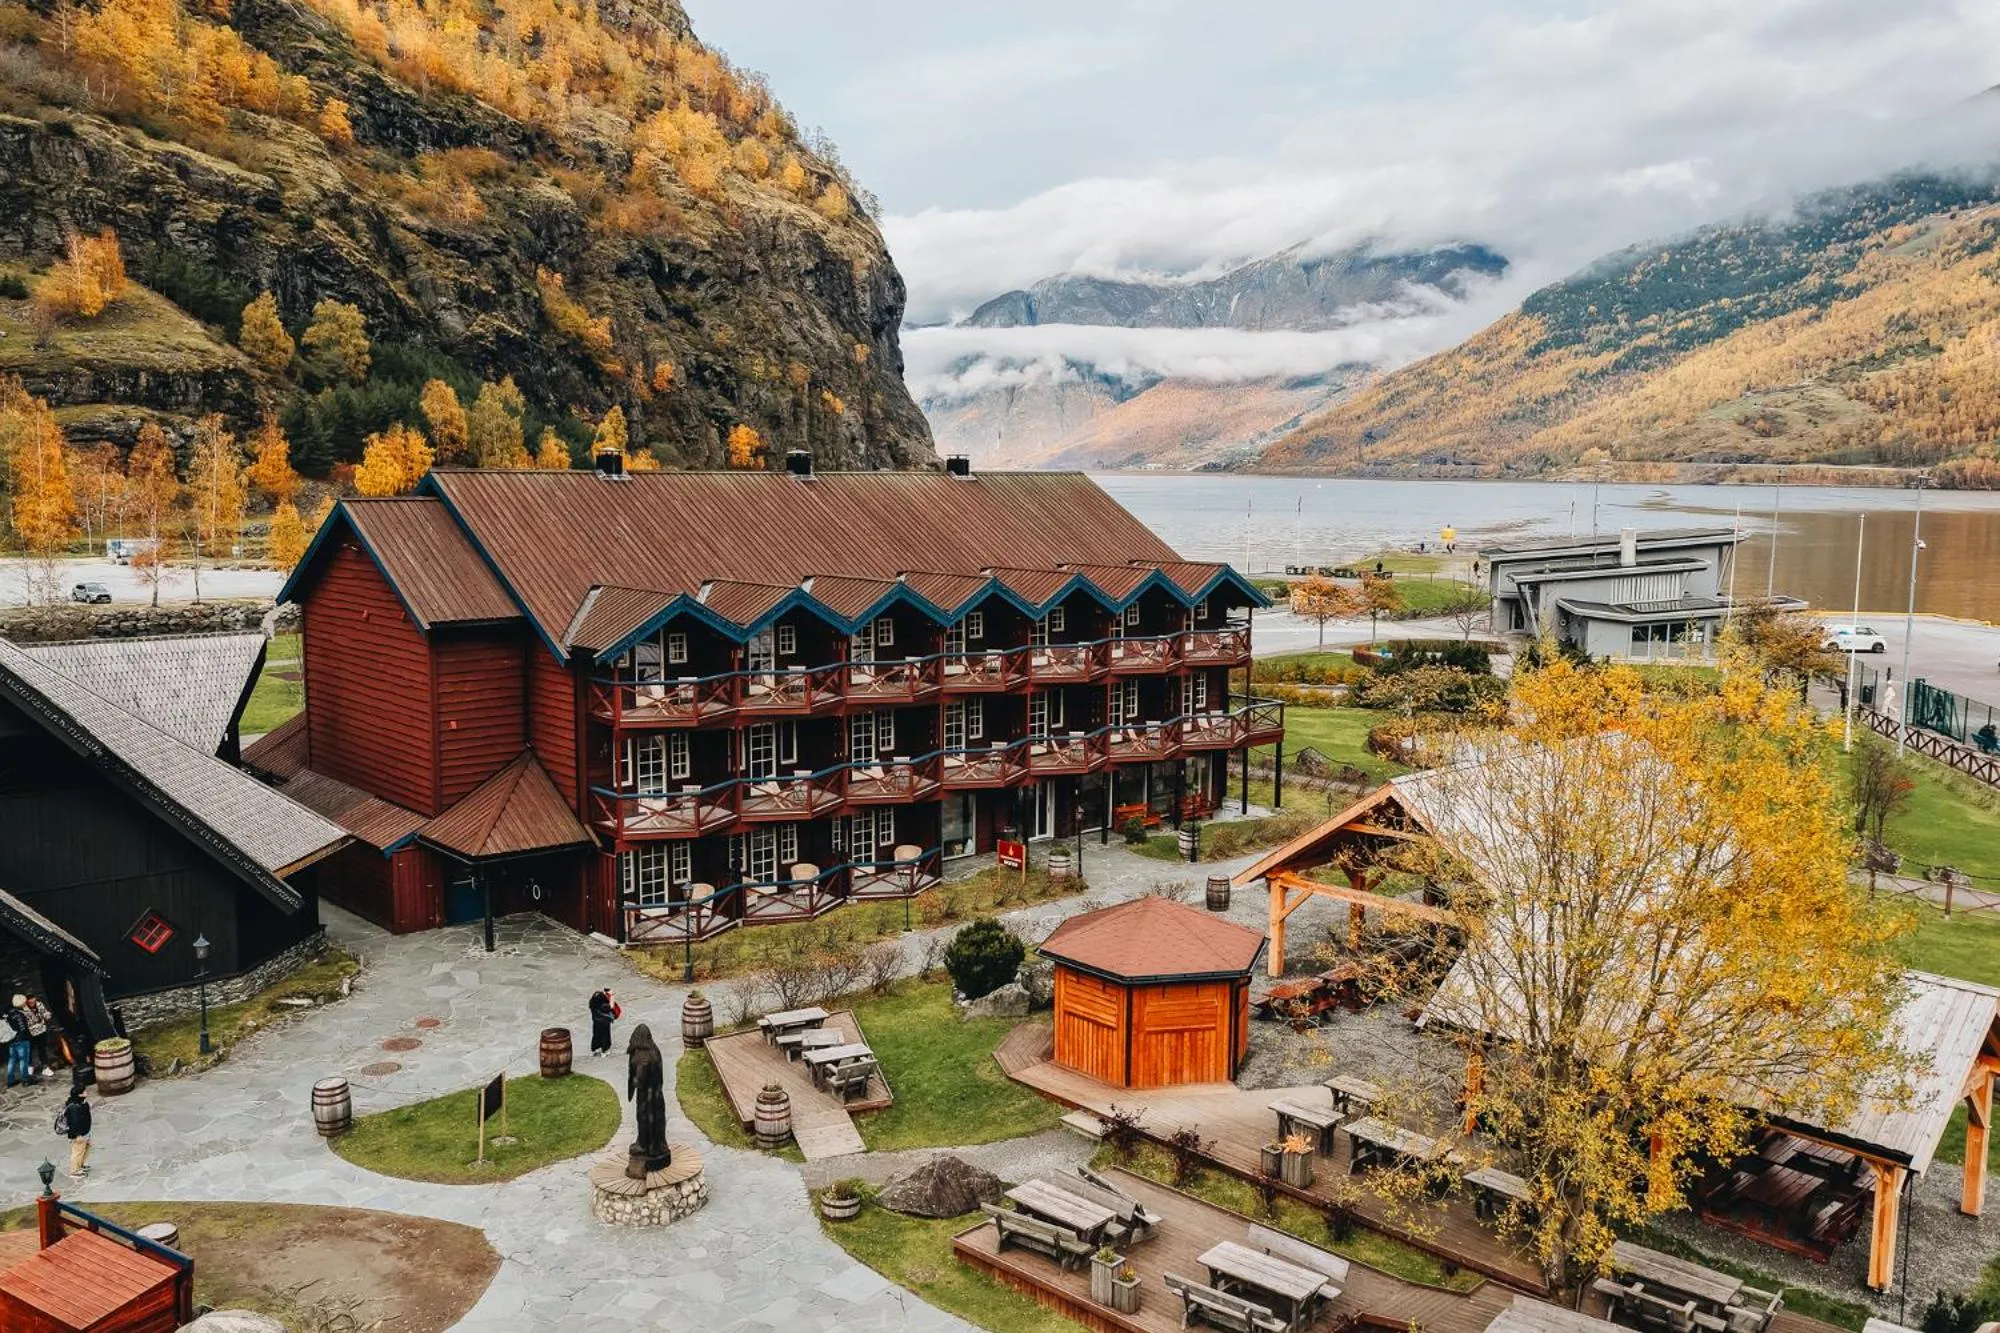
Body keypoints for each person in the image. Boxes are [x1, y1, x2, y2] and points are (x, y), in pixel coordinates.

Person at [56, 1087, 90, 1178]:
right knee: (77, 1151)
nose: (86, 1092)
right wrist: (77, 1135)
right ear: (80, 1095)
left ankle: (80, 1165)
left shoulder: (81, 1103)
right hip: (78, 1134)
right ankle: (74, 1171)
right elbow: (74, 1123)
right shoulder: (74, 1107)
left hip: (84, 1131)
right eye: (84, 1091)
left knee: (84, 1149)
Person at [23, 995, 54, 1079]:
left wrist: (47, 1015)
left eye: (33, 998)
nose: (32, 1001)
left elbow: (44, 1013)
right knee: (29, 1050)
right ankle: (29, 1067)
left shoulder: (39, 1004)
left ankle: (45, 1067)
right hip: (31, 1033)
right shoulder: (24, 1009)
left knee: (42, 1049)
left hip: (41, 1030)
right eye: (29, 999)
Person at [3, 996, 30, 1088]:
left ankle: (10, 1081)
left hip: (11, 1041)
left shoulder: (6, 1017)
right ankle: (25, 1080)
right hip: (21, 1040)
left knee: (12, 1060)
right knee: (23, 1060)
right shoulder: (19, 1015)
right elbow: (23, 1028)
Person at [588, 987, 620, 1056]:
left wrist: (605, 993)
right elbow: (611, 1006)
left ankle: (595, 1049)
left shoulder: (592, 1003)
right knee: (605, 1036)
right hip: (604, 1022)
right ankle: (604, 1051)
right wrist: (611, 996)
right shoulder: (603, 1006)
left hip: (596, 1021)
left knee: (596, 1035)